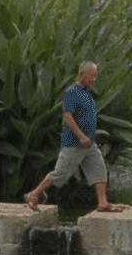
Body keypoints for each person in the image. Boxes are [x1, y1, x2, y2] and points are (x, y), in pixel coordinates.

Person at [23, 60, 117, 214]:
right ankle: (34, 194)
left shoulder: (86, 93)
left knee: (99, 169)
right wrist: (80, 136)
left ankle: (103, 202)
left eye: (96, 76)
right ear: (82, 74)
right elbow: (68, 117)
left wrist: (87, 138)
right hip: (74, 143)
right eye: (92, 76)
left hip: (89, 143)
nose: (94, 80)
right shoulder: (71, 92)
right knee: (60, 173)